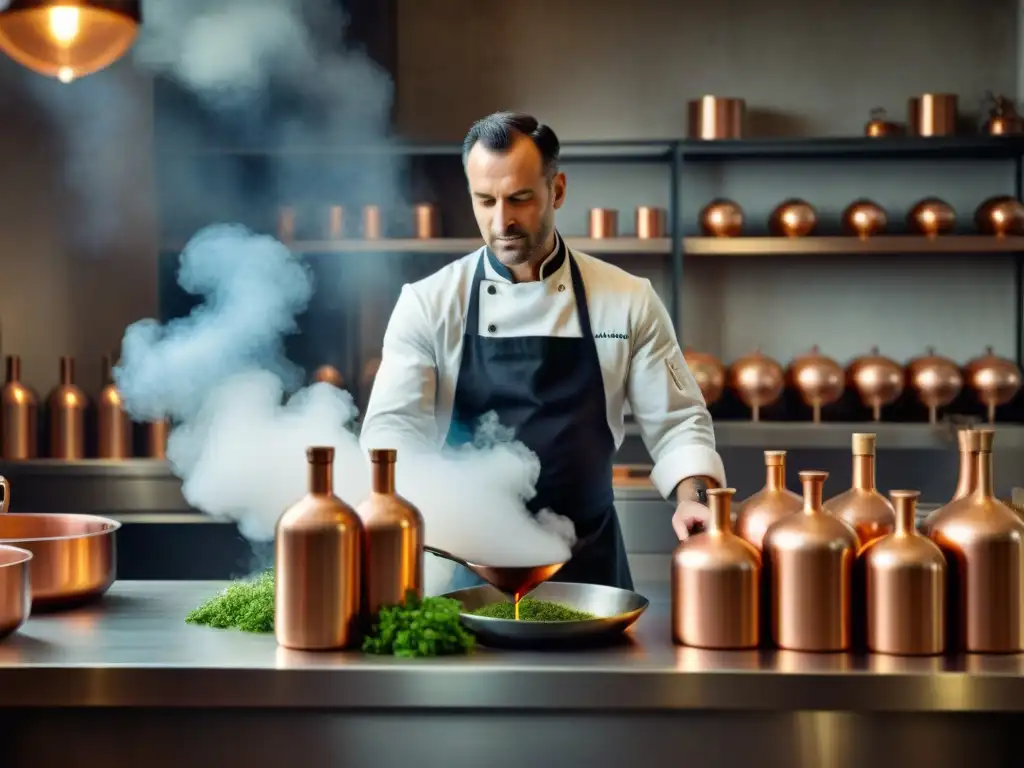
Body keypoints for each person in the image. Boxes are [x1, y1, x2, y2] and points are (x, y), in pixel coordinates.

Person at [359, 111, 725, 592]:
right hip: (462, 564)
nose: (501, 220)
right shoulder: (428, 303)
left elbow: (678, 422)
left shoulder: (628, 298)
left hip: (587, 563)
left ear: (558, 190)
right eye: (484, 200)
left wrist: (693, 497)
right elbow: (393, 429)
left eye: (520, 199)